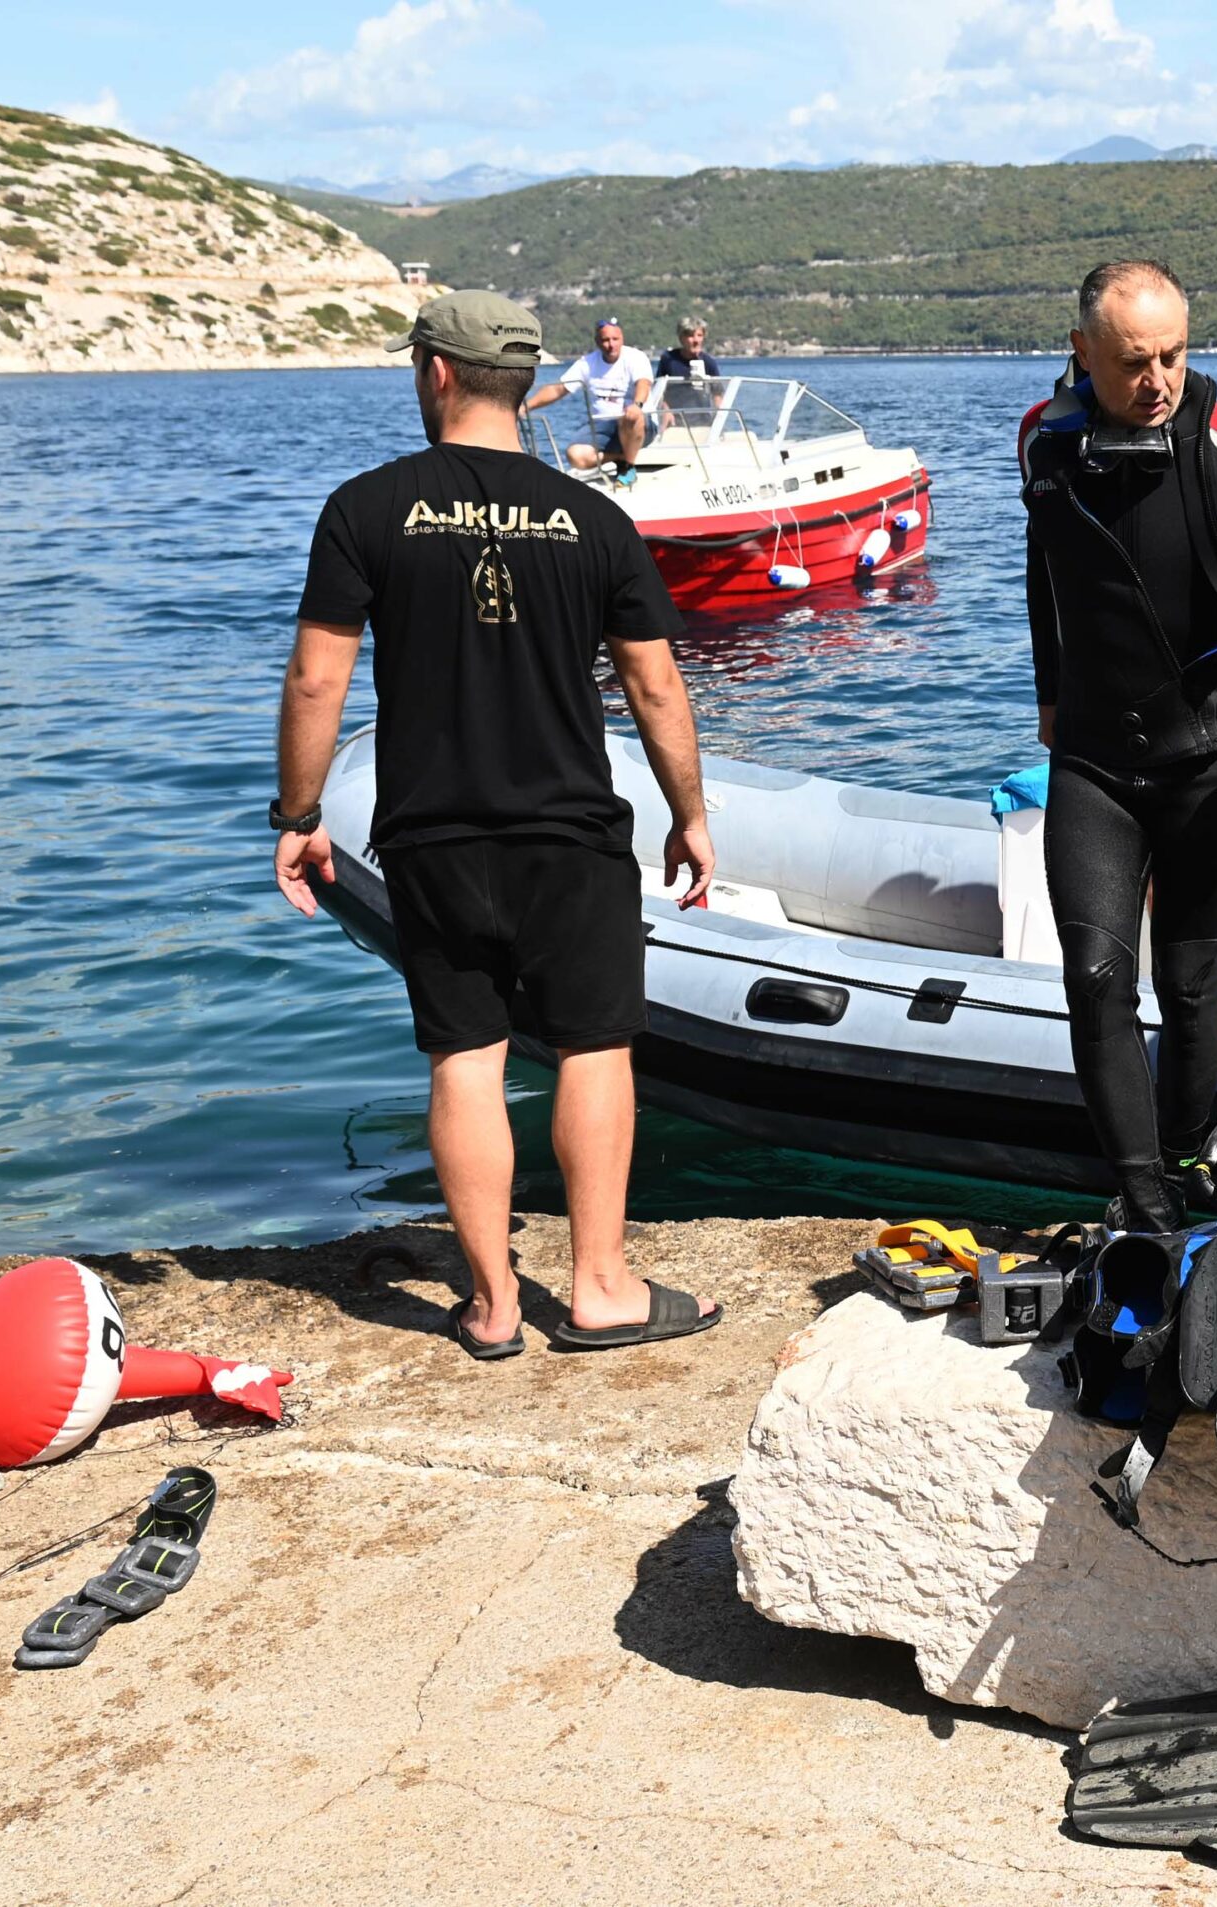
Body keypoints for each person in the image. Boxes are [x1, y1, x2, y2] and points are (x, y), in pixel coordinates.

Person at [273, 290, 723, 1360]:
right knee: (593, 1047)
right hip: (570, 830)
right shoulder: (595, 519)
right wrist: (690, 814)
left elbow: (314, 681)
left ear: (435, 372)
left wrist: (299, 815)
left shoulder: (365, 508)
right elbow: (657, 687)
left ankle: (492, 1306)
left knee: (466, 1056)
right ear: (522, 385)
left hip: (432, 833)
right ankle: (601, 1287)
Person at [1019, 259, 1217, 1231]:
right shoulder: (1043, 439)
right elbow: (1044, 564)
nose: (1156, 379)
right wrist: (1048, 694)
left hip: (1210, 759)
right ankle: (1143, 1198)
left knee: (1189, 980)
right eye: (1132, 361)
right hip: (1093, 760)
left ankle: (1187, 1160)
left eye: (1173, 355)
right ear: (1082, 352)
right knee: (1094, 975)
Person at [525, 317, 652, 477]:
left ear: (622, 339)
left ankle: (628, 468)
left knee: (632, 416)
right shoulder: (587, 363)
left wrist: (637, 405)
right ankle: (621, 457)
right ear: (597, 341)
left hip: (636, 423)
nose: (611, 344)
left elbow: (643, 384)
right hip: (602, 425)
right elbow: (558, 389)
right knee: (575, 456)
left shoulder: (636, 357)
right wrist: (526, 407)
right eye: (605, 340)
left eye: (615, 339)